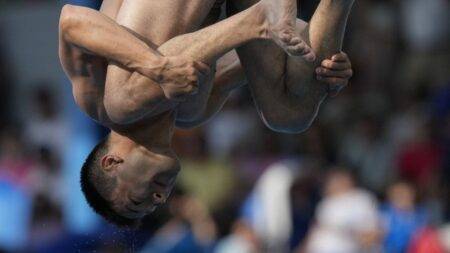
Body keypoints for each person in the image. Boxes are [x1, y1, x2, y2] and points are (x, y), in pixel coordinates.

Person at [59, 0, 354, 227]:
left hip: (241, 23)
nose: (160, 196)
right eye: (157, 203)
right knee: (289, 116)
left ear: (112, 163)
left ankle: (259, 18)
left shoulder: (98, 103)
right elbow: (275, 56)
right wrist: (325, 72)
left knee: (121, 106)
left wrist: (155, 66)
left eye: (139, 200)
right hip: (243, 11)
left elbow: (71, 20)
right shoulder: (194, 112)